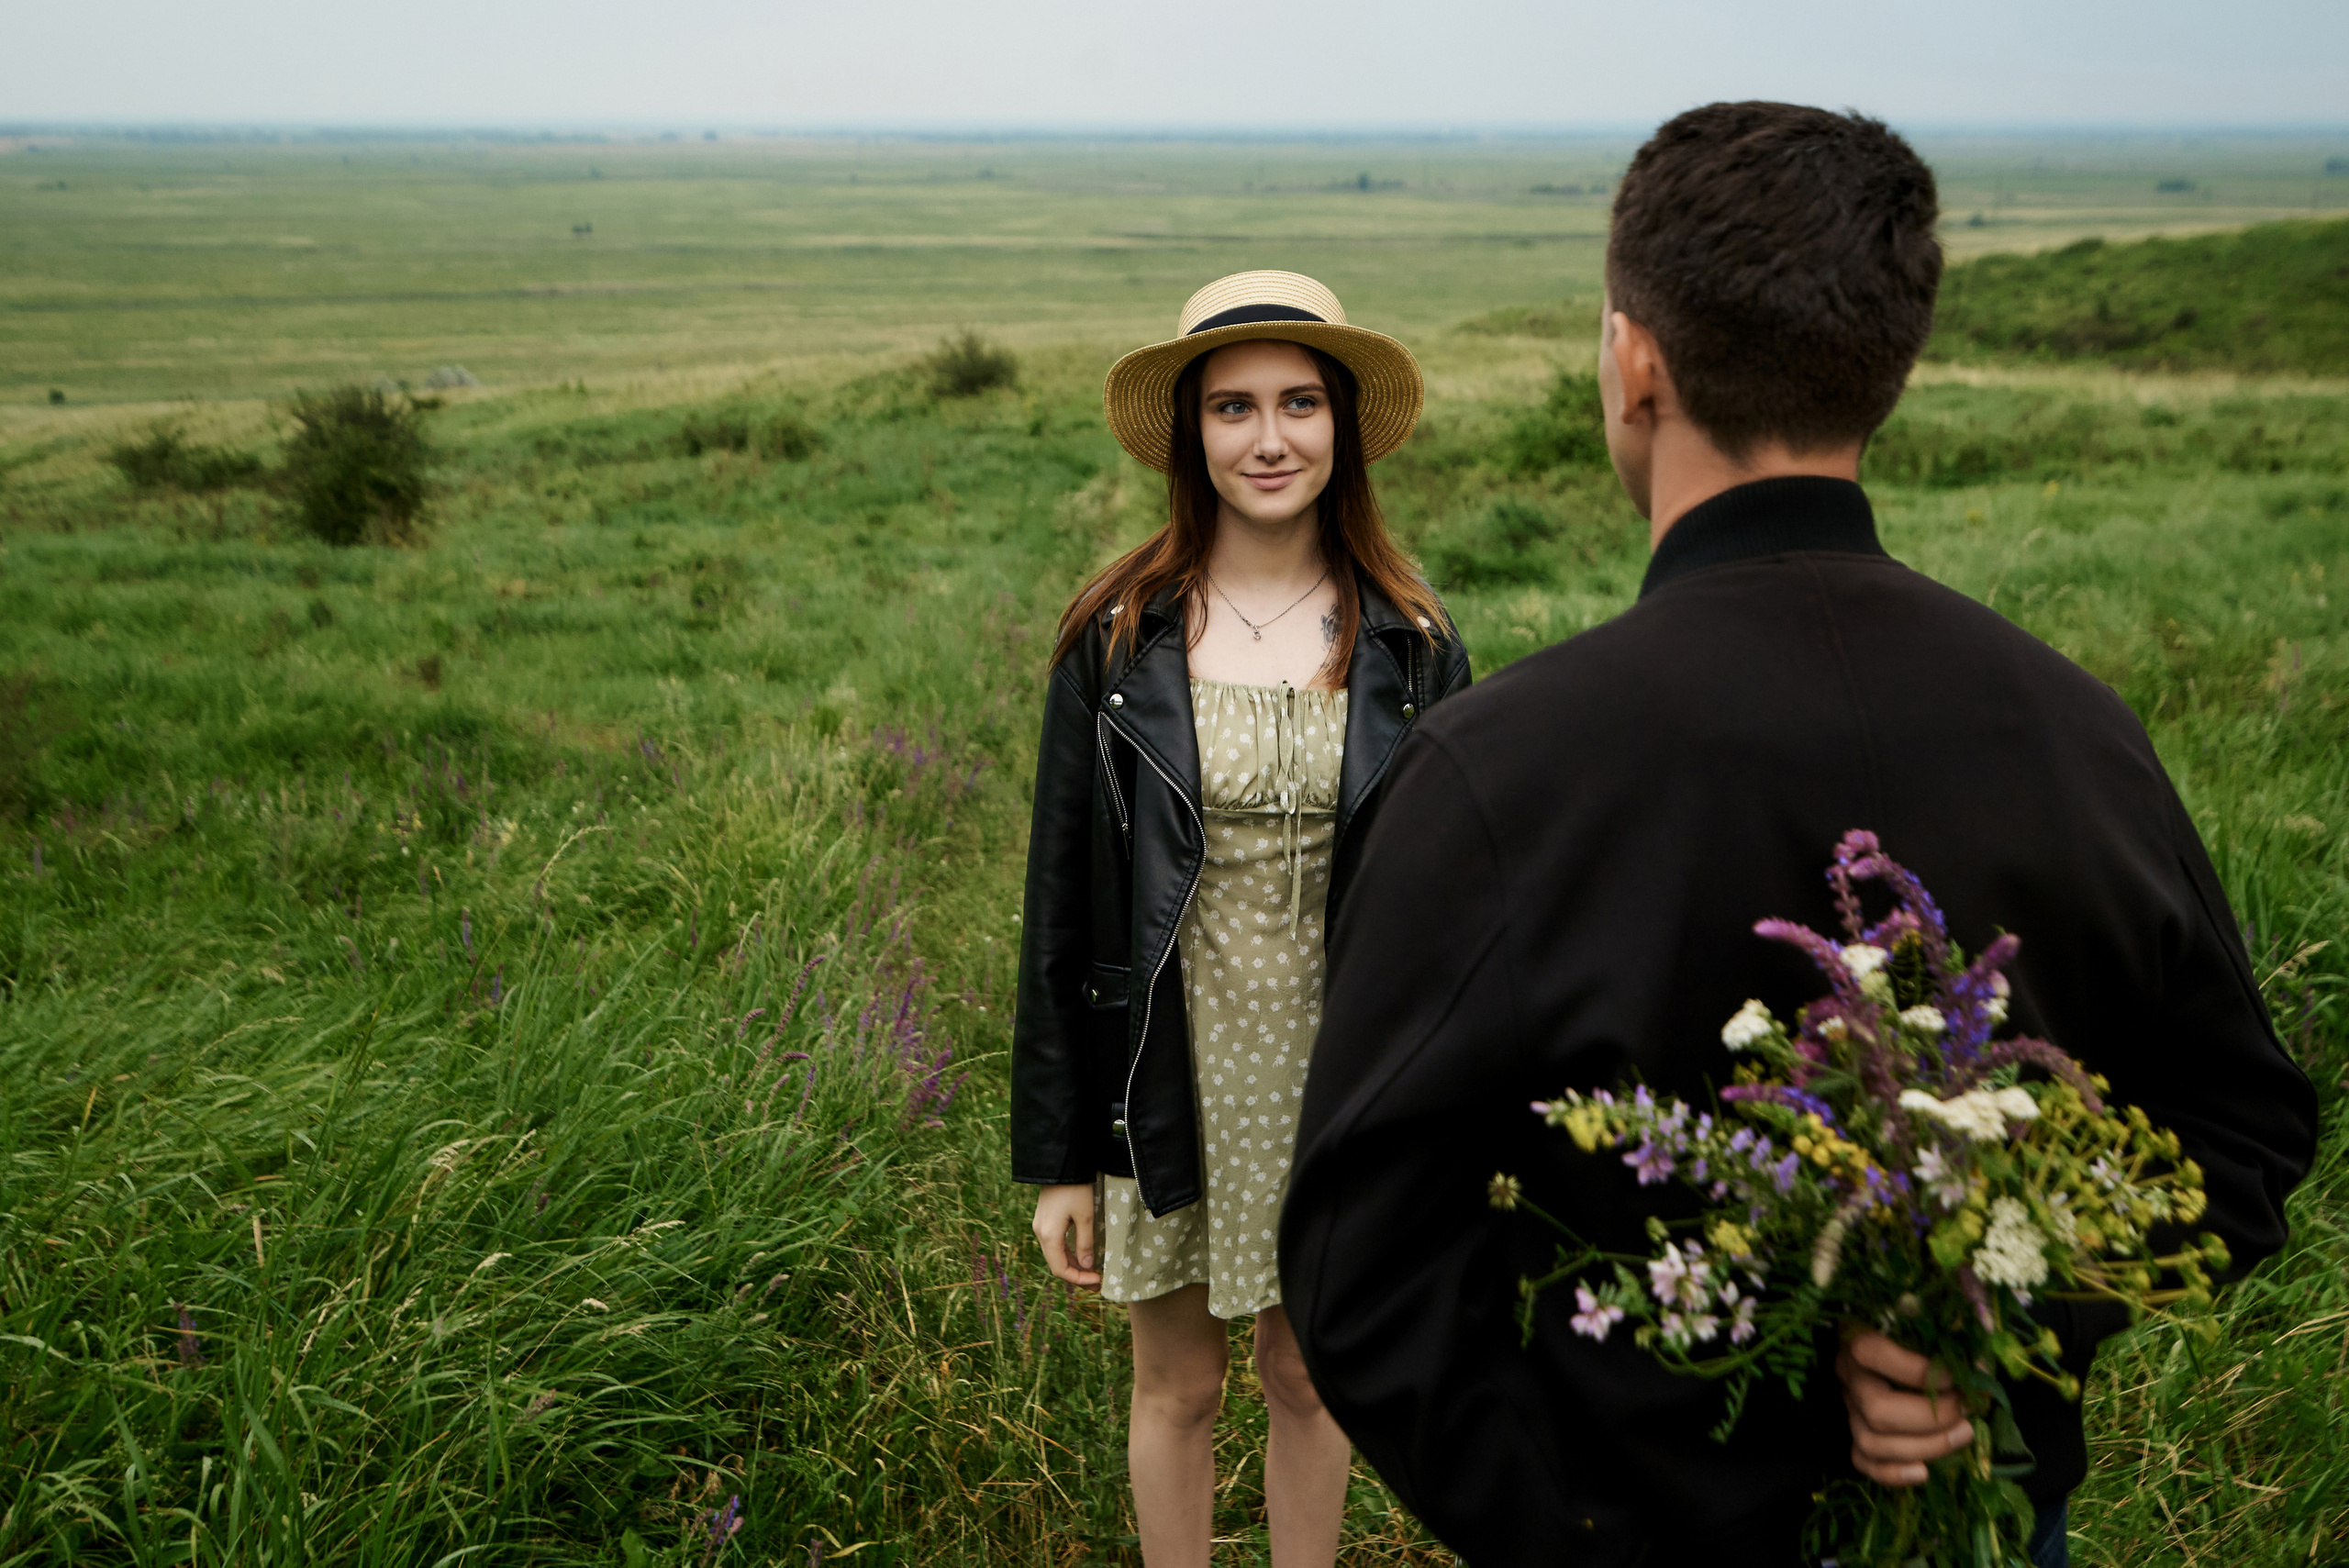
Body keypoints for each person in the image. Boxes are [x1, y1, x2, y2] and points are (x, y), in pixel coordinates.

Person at [1280, 104, 2321, 1568]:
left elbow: (1355, 1264)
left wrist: (1584, 1522)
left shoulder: (1495, 770)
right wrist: (2000, 1311)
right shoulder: (2078, 730)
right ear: (1884, 368)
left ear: (1635, 363)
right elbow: (2245, 1128)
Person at [1011, 270, 1472, 1567]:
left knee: (1309, 1374)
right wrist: (1058, 1154)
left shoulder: (1413, 644)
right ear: (1189, 435)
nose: (1268, 439)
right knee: (1178, 1383)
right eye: (1232, 408)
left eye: (1298, 404)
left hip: (1343, 1065)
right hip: (1171, 1062)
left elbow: (1453, 915)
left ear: (1342, 427)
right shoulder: (1116, 640)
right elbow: (1063, 908)